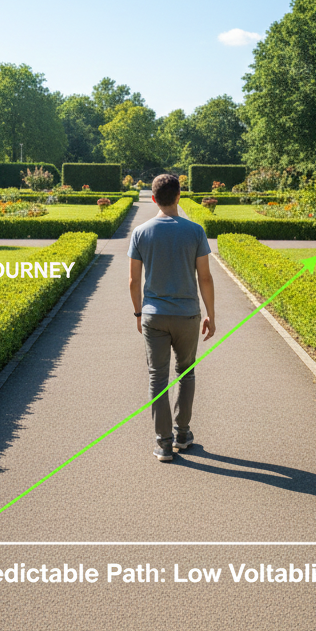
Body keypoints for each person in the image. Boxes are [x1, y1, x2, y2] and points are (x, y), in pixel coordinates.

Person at [128, 173, 217, 461]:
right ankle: (182, 433)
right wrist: (211, 315)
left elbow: (133, 281)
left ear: (153, 198)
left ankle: (163, 443)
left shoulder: (141, 233)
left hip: (154, 315)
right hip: (188, 315)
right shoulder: (195, 231)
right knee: (186, 372)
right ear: (179, 196)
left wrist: (139, 313)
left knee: (157, 377)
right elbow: (205, 277)